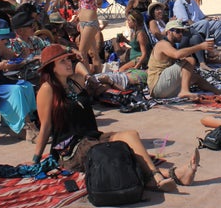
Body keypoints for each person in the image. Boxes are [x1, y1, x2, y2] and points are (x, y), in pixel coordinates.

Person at [31, 44, 199, 191]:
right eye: (63, 61)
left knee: (130, 135)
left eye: (68, 60)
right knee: (119, 153)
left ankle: (155, 176)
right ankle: (166, 175)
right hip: (70, 149)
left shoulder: (74, 82)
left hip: (91, 137)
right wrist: (36, 159)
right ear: (51, 68)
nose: (69, 63)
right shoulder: (47, 89)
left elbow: (81, 66)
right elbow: (46, 126)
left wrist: (75, 57)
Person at [146, 20, 221, 100]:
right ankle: (184, 91)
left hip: (163, 87)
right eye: (178, 31)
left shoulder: (171, 45)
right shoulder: (162, 44)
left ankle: (218, 92)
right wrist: (200, 47)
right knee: (190, 60)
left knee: (195, 77)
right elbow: (177, 54)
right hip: (157, 85)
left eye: (182, 32)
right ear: (169, 32)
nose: (181, 34)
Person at [172, 0, 221, 69]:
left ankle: (215, 47)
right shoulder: (179, 4)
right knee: (204, 23)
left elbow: (202, 16)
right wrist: (202, 22)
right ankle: (210, 51)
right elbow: (186, 21)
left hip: (201, 25)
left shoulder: (193, 2)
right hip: (188, 28)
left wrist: (212, 18)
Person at [71, 0, 103, 74]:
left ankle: (87, 77)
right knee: (93, 53)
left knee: (82, 52)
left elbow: (99, 4)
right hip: (83, 22)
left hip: (90, 22)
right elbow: (81, 5)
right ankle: (98, 76)